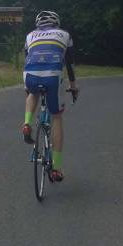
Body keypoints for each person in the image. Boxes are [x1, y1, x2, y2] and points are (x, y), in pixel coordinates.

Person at [21, 10, 78, 182]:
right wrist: (73, 86)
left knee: (32, 93)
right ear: (56, 23)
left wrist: (27, 86)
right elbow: (69, 64)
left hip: (30, 74)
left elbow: (27, 58)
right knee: (56, 117)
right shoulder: (65, 34)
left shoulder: (30, 35)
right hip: (52, 75)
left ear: (38, 24)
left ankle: (27, 123)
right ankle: (57, 168)